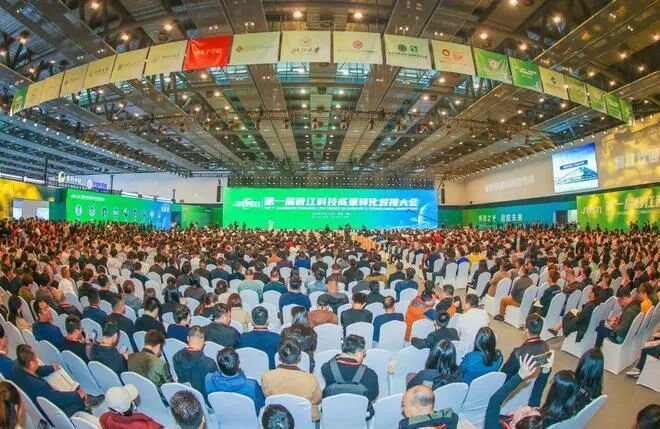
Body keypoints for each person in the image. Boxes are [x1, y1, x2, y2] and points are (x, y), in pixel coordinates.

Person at [485, 352, 578, 429]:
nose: (528, 407)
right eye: (534, 409)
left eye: (525, 413)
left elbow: (495, 400)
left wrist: (520, 376)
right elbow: (536, 395)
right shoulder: (532, 424)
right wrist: (545, 371)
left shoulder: (494, 426)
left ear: (515, 424)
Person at [12, 344, 91, 416]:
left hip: (38, 404)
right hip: (54, 412)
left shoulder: (17, 366)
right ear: (31, 364)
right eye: (35, 358)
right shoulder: (38, 386)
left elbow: (35, 370)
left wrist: (50, 368)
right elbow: (57, 398)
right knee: (80, 399)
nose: (36, 359)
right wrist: (77, 395)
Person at [262, 338, 322, 421]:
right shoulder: (311, 379)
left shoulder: (267, 377)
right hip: (304, 418)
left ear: (279, 357)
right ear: (300, 358)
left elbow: (267, 396)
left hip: (277, 417)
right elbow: (317, 399)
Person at [321, 334, 378, 418]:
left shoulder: (326, 369)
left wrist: (339, 356)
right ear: (359, 353)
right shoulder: (371, 374)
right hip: (359, 416)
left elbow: (330, 363)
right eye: (363, 353)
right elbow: (373, 396)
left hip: (333, 414)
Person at [205, 347, 265, 414]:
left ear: (219, 366)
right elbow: (261, 403)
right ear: (239, 365)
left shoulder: (208, 380)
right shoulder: (252, 385)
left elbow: (209, 402)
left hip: (222, 416)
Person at [501, 314, 549, 380]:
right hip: (532, 379)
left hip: (515, 381)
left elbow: (504, 373)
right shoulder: (545, 346)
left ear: (526, 330)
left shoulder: (517, 353)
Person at [173, 326, 217, 396]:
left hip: (185, 396)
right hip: (203, 398)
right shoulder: (210, 364)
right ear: (203, 340)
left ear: (187, 338)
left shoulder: (176, 357)